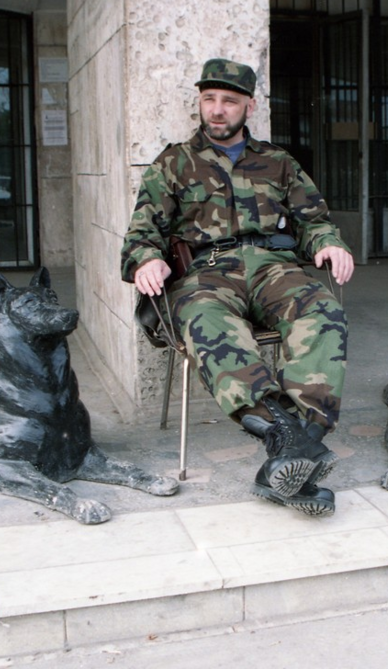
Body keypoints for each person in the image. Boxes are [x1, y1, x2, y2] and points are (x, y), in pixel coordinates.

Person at [120, 58, 354, 517]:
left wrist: (330, 244)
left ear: (249, 104)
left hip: (273, 267)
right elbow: (142, 230)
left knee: (322, 311)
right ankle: (289, 442)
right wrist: (146, 258)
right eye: (209, 100)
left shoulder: (279, 162)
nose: (217, 110)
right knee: (207, 322)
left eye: (228, 101)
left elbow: (315, 221)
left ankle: (289, 449)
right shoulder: (174, 162)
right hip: (206, 272)